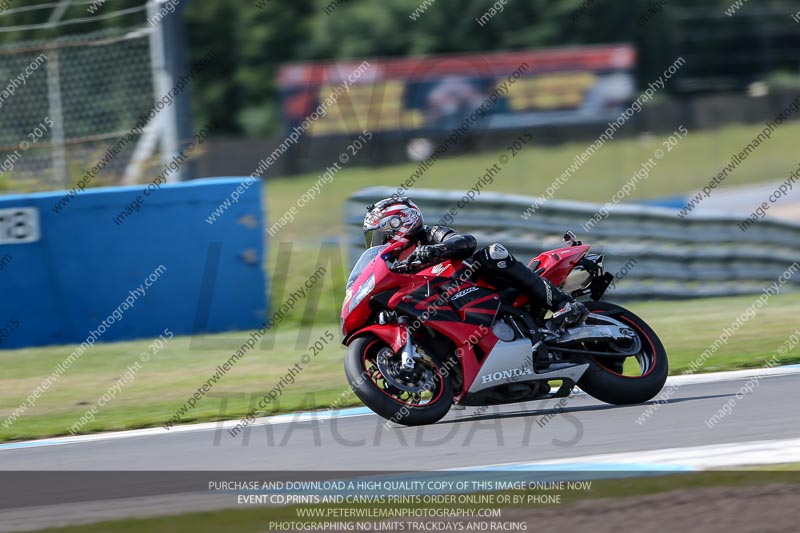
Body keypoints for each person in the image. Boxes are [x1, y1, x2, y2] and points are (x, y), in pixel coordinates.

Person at [362, 197, 588, 333]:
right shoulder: (397, 265)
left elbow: (465, 241)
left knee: (492, 253)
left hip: (480, 286)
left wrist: (435, 251)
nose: (376, 243)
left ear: (399, 223)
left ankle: (564, 304)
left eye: (379, 235)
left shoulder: (429, 235)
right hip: (453, 308)